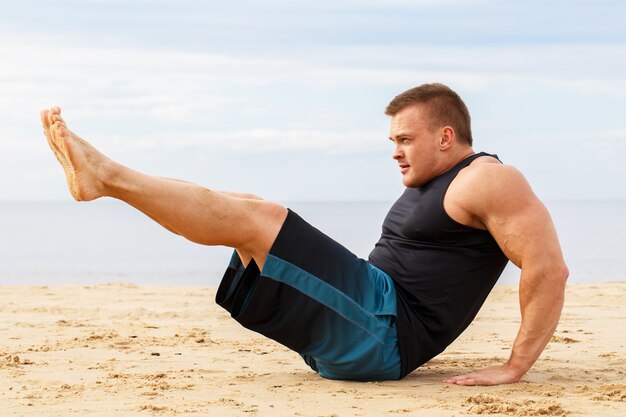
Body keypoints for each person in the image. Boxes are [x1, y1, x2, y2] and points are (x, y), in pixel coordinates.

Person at [40, 83, 568, 386]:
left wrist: (516, 365)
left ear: (447, 137)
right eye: (393, 140)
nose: (395, 150)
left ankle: (106, 177)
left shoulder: (490, 179)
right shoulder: (441, 182)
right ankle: (108, 176)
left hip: (383, 333)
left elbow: (548, 268)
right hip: (366, 318)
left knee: (260, 216)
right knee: (246, 206)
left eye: (406, 138)